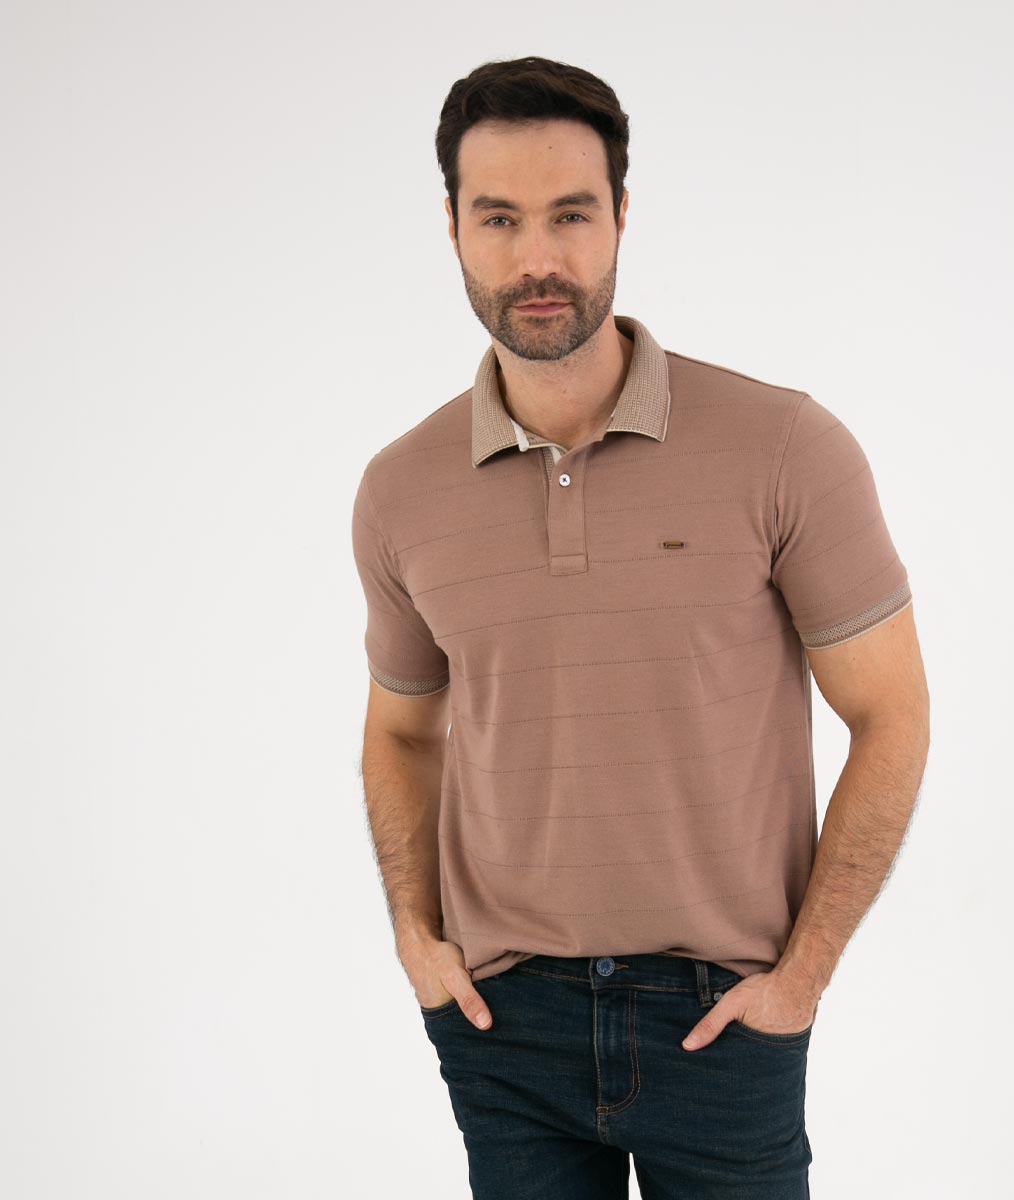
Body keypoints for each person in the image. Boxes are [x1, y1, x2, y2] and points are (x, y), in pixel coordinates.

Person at [351, 54, 930, 1199]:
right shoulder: (400, 489)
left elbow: (892, 714)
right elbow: (401, 733)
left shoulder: (783, 447)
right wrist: (417, 940)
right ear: (453, 228)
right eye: (499, 218)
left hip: (723, 1016)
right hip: (502, 1021)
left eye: (570, 214)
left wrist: (802, 979)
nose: (538, 258)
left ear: (621, 212)